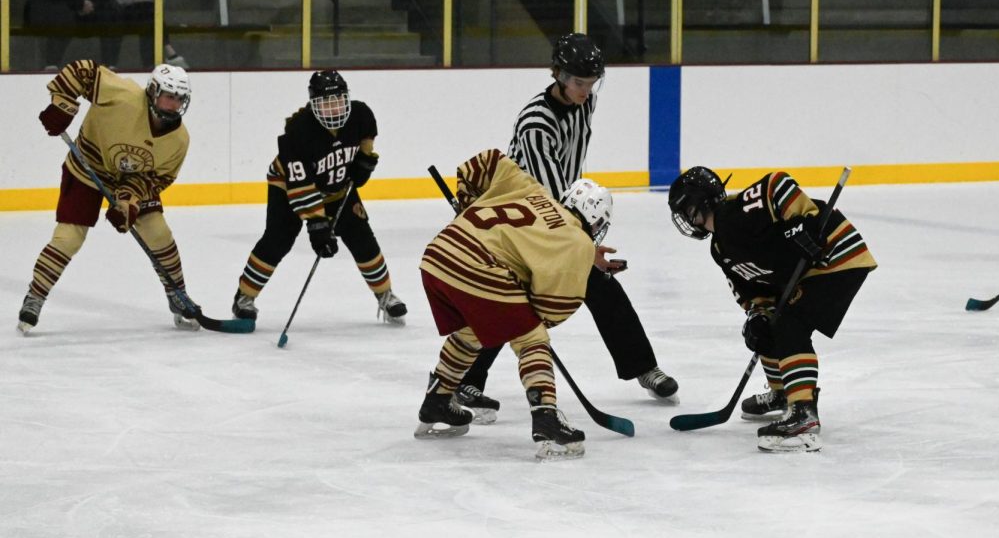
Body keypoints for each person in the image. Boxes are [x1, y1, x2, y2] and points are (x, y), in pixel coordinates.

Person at [454, 33, 678, 422]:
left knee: (598, 287)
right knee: (511, 297)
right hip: (522, 222)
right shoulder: (536, 124)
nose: (585, 90)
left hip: (555, 216)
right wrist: (584, 251)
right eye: (578, 82)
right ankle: (466, 380)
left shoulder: (584, 100)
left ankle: (643, 366)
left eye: (592, 83)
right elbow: (548, 204)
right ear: (556, 74)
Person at [417, 149, 613, 460]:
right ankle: (546, 416)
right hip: (477, 266)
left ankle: (438, 400)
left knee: (472, 331)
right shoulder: (579, 243)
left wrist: (468, 205)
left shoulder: (531, 189)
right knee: (533, 337)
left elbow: (484, 162)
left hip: (438, 255)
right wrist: (527, 314)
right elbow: (552, 309)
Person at [667, 167, 876, 452]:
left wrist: (805, 222)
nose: (686, 220)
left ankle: (803, 417)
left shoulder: (736, 213)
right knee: (765, 326)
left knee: (789, 325)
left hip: (835, 256)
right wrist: (757, 315)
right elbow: (753, 292)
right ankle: (783, 393)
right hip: (807, 272)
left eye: (685, 210)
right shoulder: (719, 249)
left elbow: (776, 184)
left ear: (697, 204)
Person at [19, 61, 197, 333]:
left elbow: (156, 179)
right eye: (168, 96)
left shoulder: (179, 140)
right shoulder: (122, 95)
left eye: (178, 99)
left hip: (128, 180)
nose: (173, 105)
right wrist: (63, 105)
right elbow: (83, 71)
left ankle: (177, 294)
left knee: (158, 232)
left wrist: (129, 204)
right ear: (152, 91)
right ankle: (35, 296)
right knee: (68, 237)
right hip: (87, 168)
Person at [230, 70, 407, 324]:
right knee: (278, 239)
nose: (333, 109)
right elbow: (301, 184)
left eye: (337, 101)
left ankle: (386, 295)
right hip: (288, 185)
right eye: (325, 103)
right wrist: (317, 225)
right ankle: (244, 297)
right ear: (313, 105)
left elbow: (366, 136)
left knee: (361, 236)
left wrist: (365, 160)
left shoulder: (360, 114)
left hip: (337, 186)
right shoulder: (298, 131)